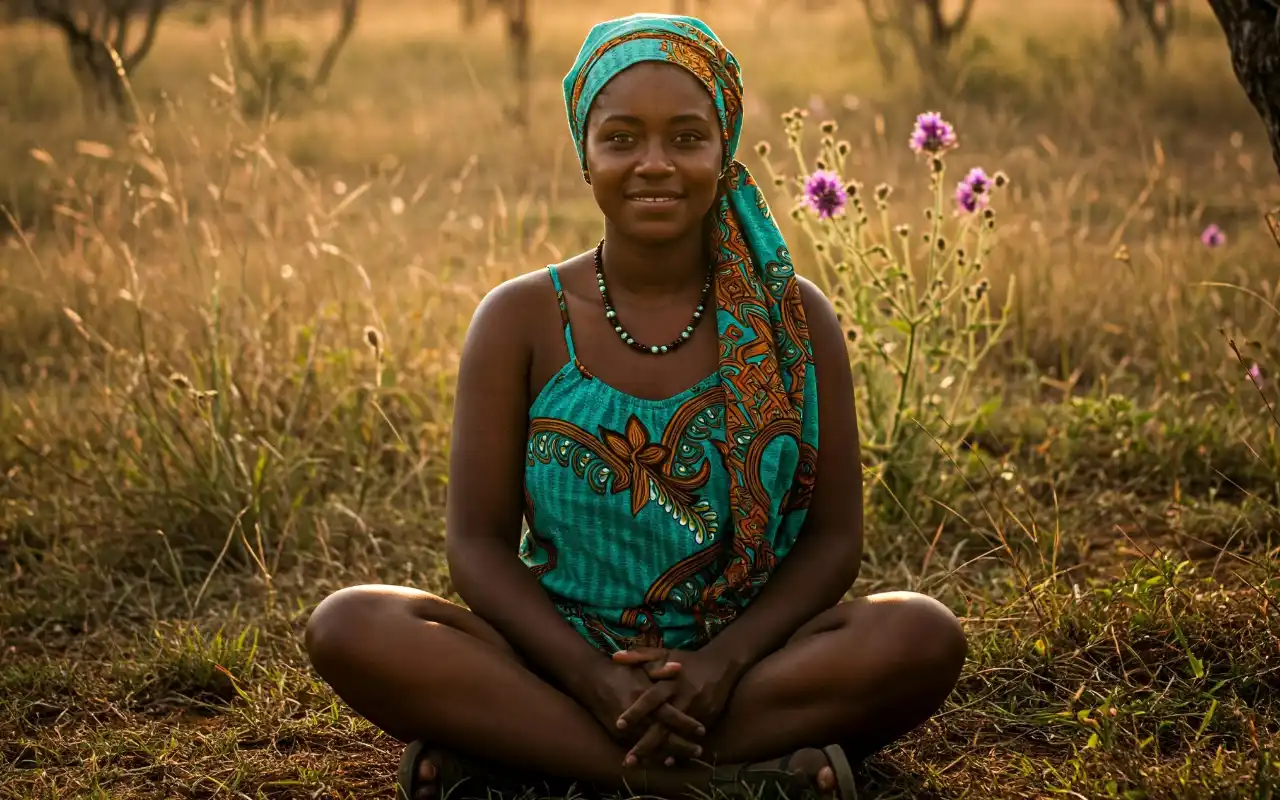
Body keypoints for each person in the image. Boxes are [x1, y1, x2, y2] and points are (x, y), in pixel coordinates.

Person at [304, 12, 966, 800]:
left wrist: (718, 666)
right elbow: (477, 548)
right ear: (584, 155)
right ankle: (707, 783)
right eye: (621, 138)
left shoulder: (793, 320)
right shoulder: (519, 321)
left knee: (920, 634)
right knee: (348, 625)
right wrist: (590, 677)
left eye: (687, 138)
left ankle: (527, 764)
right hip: (556, 662)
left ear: (725, 153)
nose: (655, 163)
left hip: (741, 666)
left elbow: (832, 544)